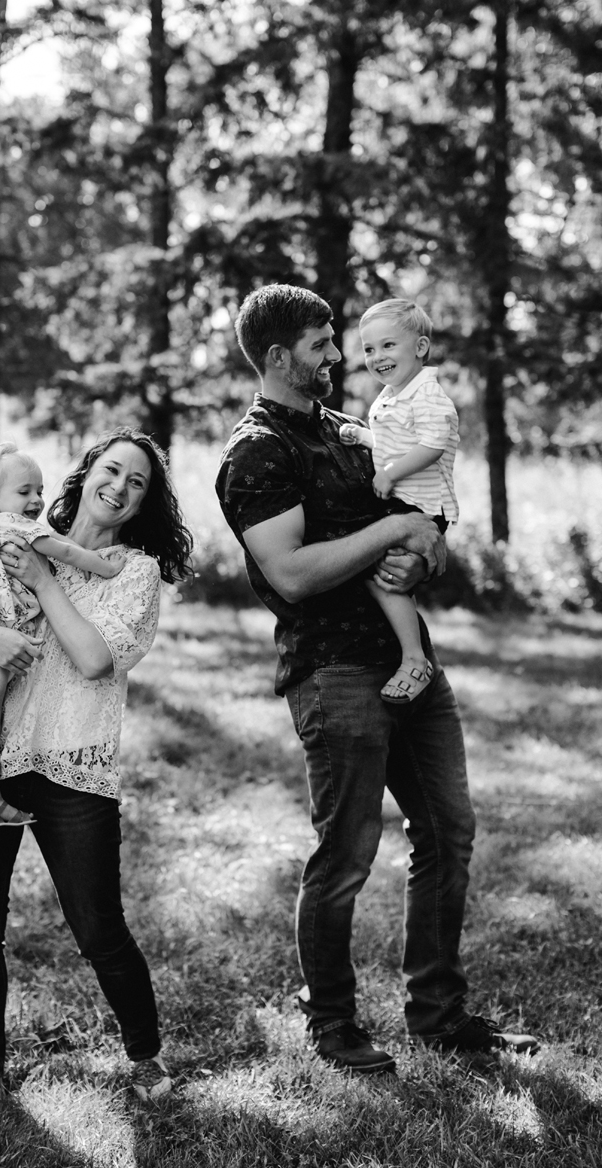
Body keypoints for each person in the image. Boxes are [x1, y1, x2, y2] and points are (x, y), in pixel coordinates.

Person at [216, 283, 538, 1074]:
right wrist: (393, 528)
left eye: (338, 339)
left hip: (409, 658)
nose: (338, 355)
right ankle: (331, 1023)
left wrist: (423, 552)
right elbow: (292, 574)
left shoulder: (357, 432)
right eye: (321, 344)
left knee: (449, 833)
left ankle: (438, 1015)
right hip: (334, 671)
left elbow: (425, 527)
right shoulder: (257, 451)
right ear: (280, 357)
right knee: (347, 854)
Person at [0, 427, 194, 1110]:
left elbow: (95, 659)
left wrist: (45, 582)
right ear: (88, 471)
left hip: (73, 767)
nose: (120, 487)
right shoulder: (16, 535)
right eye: (113, 469)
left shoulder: (131, 572)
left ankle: (146, 1060)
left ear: (145, 503)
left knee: (99, 927)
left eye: (137, 482)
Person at [0, 409, 125, 838]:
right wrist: (105, 566)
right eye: (24, 491)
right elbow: (67, 552)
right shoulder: (18, 528)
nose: (37, 500)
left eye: (39, 490)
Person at [338, 298, 459, 705]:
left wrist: (389, 474)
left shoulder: (428, 395)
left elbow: (431, 446)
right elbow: (398, 443)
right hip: (404, 502)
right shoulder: (395, 394)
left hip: (420, 506)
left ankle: (414, 660)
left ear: (420, 347)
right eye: (369, 349)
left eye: (388, 345)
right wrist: (364, 438)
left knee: (386, 578)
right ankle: (405, 652)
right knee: (376, 574)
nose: (377, 357)